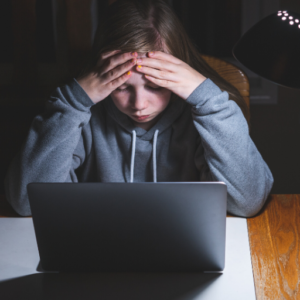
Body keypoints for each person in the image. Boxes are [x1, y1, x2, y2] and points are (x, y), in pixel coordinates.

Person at [5, 0, 273, 217]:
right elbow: (26, 204)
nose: (139, 104)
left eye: (155, 87)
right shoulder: (80, 115)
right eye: (121, 87)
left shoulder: (203, 115)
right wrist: (74, 101)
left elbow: (248, 202)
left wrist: (208, 100)